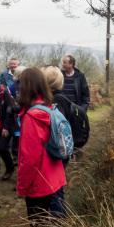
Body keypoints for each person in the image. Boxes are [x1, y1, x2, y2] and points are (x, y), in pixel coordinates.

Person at [16, 67, 66, 227]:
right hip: (55, 174)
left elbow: (29, 158)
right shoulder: (48, 108)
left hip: (39, 180)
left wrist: (22, 187)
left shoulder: (31, 116)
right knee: (53, 218)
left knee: (38, 223)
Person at [43, 65, 73, 219]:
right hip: (64, 150)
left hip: (55, 152)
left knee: (53, 190)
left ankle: (57, 226)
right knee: (58, 188)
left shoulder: (52, 102)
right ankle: (61, 219)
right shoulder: (65, 98)